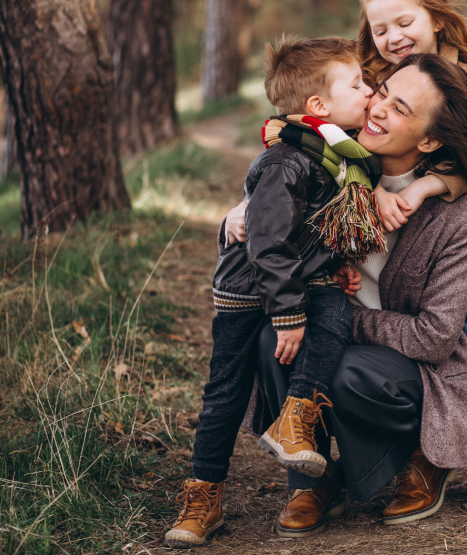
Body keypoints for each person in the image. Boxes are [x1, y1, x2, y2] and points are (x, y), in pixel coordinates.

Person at [237, 54, 467, 537]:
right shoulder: (330, 165)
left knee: (344, 366)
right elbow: (274, 185)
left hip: (412, 368)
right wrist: (243, 210)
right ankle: (311, 479)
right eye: (382, 93)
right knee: (272, 341)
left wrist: (339, 320)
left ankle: (424, 457)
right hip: (331, 331)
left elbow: (435, 337)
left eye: (400, 109)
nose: (377, 109)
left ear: (430, 139)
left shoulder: (463, 213)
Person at [164, 36, 377, 549]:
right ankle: (204, 494)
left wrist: (341, 263)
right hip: (248, 290)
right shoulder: (287, 162)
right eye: (358, 84)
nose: (370, 90)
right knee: (225, 392)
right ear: (318, 106)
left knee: (334, 316)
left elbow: (318, 227)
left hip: (303, 280)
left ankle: (295, 418)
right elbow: (268, 242)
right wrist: (286, 313)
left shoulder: (336, 157)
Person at [358, 0, 467, 512]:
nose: (393, 38)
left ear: (436, 19)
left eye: (405, 22)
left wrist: (429, 183)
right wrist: (373, 188)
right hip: (407, 248)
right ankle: (419, 451)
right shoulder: (379, 79)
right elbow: (348, 137)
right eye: (381, 30)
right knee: (416, 341)